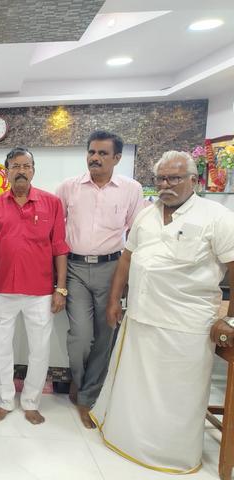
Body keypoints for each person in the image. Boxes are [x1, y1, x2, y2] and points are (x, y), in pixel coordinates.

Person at [91, 150, 234, 474]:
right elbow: (127, 258)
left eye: (174, 178)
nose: (166, 185)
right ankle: (128, 441)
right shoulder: (146, 215)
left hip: (186, 326)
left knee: (178, 395)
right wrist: (114, 300)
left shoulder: (217, 217)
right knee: (136, 389)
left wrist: (231, 319)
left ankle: (171, 455)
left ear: (194, 180)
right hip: (141, 317)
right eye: (161, 179)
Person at [55, 130, 144, 428]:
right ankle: (79, 381)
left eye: (103, 153)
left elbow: (136, 235)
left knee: (106, 335)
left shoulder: (131, 189)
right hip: (75, 269)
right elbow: (55, 232)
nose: (95, 158)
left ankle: (87, 397)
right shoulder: (68, 187)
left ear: (117, 158)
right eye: (91, 152)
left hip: (112, 268)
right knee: (80, 336)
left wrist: (128, 279)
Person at [0, 147, 69, 425]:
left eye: (26, 166)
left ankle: (31, 402)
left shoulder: (52, 203)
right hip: (2, 289)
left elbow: (59, 247)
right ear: (6, 172)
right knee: (0, 347)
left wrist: (60, 288)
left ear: (33, 171)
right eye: (15, 166)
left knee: (39, 349)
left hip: (40, 291)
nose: (20, 171)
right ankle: (4, 401)